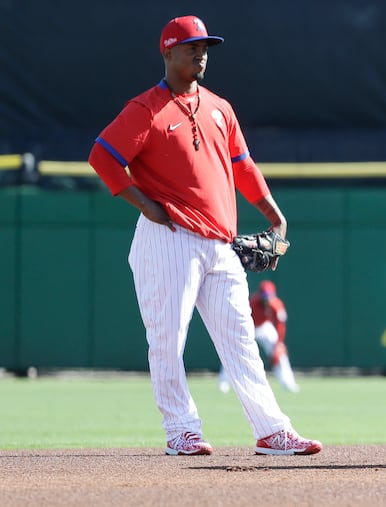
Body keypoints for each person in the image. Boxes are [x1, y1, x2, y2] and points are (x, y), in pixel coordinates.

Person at [87, 15, 322, 456]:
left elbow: (242, 167)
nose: (201, 53)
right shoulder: (145, 109)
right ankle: (181, 430)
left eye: (205, 46)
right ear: (168, 52)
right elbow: (102, 157)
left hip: (221, 242)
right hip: (169, 235)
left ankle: (272, 430)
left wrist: (274, 214)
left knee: (241, 340)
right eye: (191, 46)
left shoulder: (220, 107)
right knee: (168, 339)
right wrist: (143, 204)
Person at [220, 280, 300, 393]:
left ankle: (288, 382)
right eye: (264, 297)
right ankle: (224, 382)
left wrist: (279, 344)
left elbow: (280, 325)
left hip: (264, 328)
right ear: (260, 295)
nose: (267, 299)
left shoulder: (277, 305)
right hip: (249, 327)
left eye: (269, 297)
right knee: (234, 351)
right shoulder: (252, 302)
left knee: (280, 353)